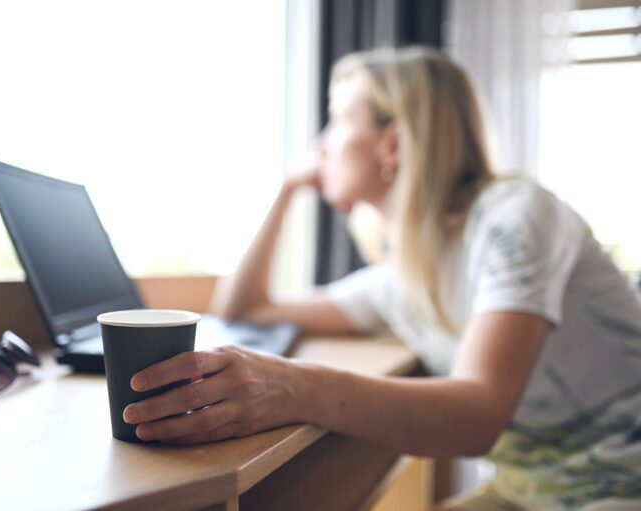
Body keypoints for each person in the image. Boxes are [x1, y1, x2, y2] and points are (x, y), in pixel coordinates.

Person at [120, 47, 641, 510]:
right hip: (537, 489)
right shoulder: (402, 277)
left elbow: (478, 415)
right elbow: (243, 308)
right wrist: (284, 192)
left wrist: (292, 385)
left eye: (335, 121)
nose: (319, 146)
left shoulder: (516, 216)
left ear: (392, 144)